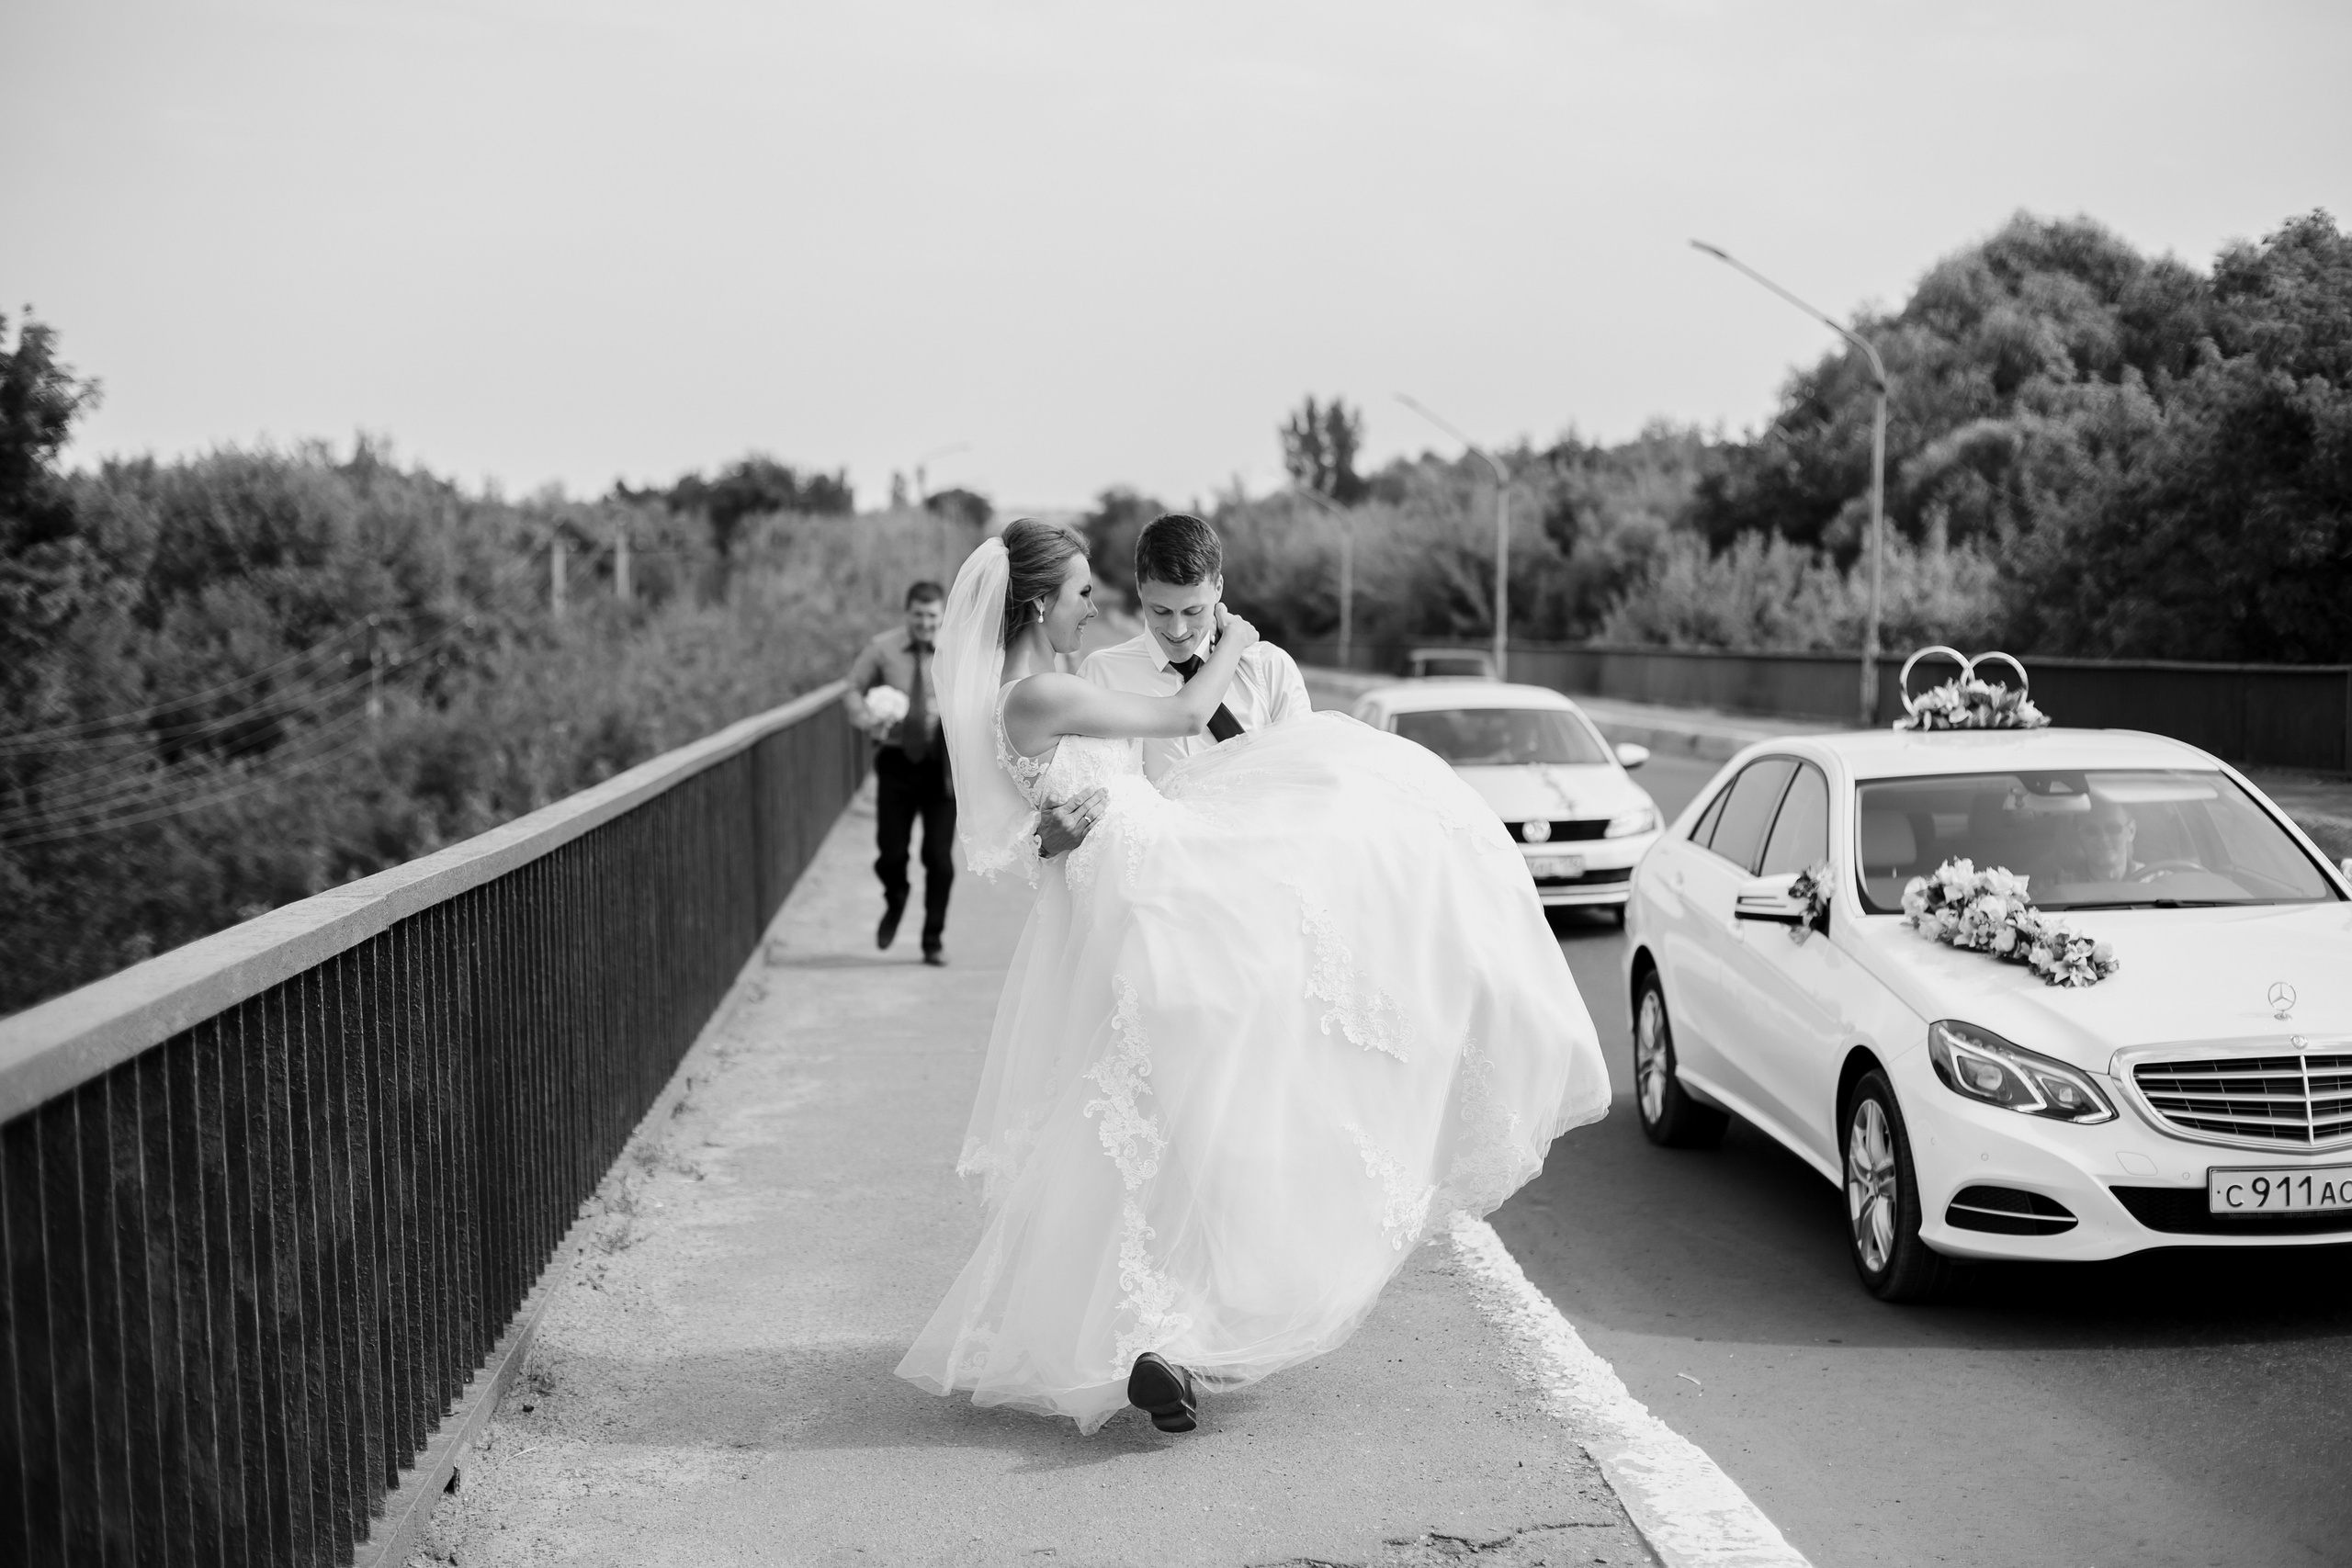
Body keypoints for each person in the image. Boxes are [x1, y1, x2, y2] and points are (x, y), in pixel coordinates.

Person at [895, 519, 1610, 1436]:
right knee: (1162, 1126)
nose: (1176, 626)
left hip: (1255, 942)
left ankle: (1177, 1332)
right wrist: (1055, 827)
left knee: (1220, 1134)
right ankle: (1168, 1336)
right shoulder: (1092, 679)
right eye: (1154, 609)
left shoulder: (1268, 675)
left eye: (1196, 611)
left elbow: (1316, 807)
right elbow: (1054, 796)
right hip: (1149, 929)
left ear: (1217, 583)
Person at [1080, 513, 1313, 784]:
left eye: (1193, 611)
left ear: (1218, 589)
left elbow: (1304, 779)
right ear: (1139, 589)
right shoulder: (1102, 675)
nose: (1177, 630)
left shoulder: (1270, 668)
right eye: (1161, 611)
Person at [845, 581, 954, 965]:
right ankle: (896, 897)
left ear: (942, 616)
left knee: (938, 859)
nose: (925, 623)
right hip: (894, 763)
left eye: (932, 616)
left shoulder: (957, 649)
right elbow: (853, 688)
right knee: (891, 855)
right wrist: (866, 718)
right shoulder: (882, 648)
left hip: (941, 765)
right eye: (919, 615)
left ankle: (932, 940)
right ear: (907, 614)